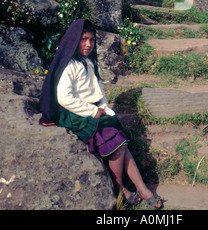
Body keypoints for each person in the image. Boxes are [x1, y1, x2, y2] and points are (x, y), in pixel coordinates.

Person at [39, 19, 163, 209]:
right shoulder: (69, 65)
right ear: (74, 41)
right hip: (75, 114)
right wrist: (92, 111)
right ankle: (120, 188)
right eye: (83, 40)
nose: (88, 44)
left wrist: (104, 106)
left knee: (121, 141)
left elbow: (98, 89)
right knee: (117, 141)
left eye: (91, 40)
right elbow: (64, 98)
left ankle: (142, 188)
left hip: (92, 111)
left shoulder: (88, 62)